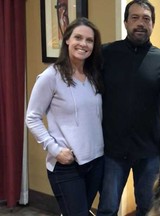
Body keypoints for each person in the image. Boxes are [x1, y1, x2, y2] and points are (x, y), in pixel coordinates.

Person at [96, 0, 160, 215]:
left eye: (146, 18)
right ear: (125, 22)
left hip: (149, 151)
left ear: (153, 24)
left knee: (149, 208)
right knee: (107, 208)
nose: (140, 23)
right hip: (112, 150)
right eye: (135, 18)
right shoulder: (105, 55)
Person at [26, 17, 104, 216]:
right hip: (67, 166)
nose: (83, 44)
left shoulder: (93, 76)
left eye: (89, 40)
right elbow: (32, 117)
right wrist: (55, 149)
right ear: (67, 39)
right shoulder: (51, 76)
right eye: (78, 37)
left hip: (95, 162)